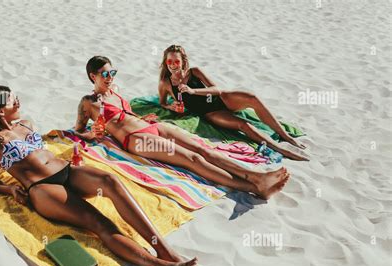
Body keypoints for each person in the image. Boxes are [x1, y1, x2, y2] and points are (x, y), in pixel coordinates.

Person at [0, 84, 197, 266]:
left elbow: (43, 150)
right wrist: (11, 189)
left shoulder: (26, 124)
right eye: (14, 101)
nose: (19, 103)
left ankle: (167, 253)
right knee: (99, 222)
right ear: (1, 110)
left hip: (67, 171)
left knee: (111, 182)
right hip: (43, 189)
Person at [75, 56, 290, 200]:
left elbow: (127, 114)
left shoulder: (117, 91)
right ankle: (254, 187)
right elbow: (78, 131)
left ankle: (253, 175)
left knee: (204, 150)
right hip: (136, 140)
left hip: (152, 126)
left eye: (112, 72)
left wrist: (143, 117)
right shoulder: (89, 102)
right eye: (105, 74)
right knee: (192, 159)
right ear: (93, 76)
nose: (110, 78)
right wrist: (91, 134)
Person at [158, 45, 308, 161]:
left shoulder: (195, 71)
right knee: (243, 125)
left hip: (222, 99)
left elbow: (216, 89)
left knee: (252, 97)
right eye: (169, 61)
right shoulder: (165, 83)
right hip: (210, 112)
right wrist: (171, 106)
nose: (172, 65)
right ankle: (281, 149)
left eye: (176, 61)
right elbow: (162, 103)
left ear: (183, 61)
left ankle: (286, 136)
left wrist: (192, 91)